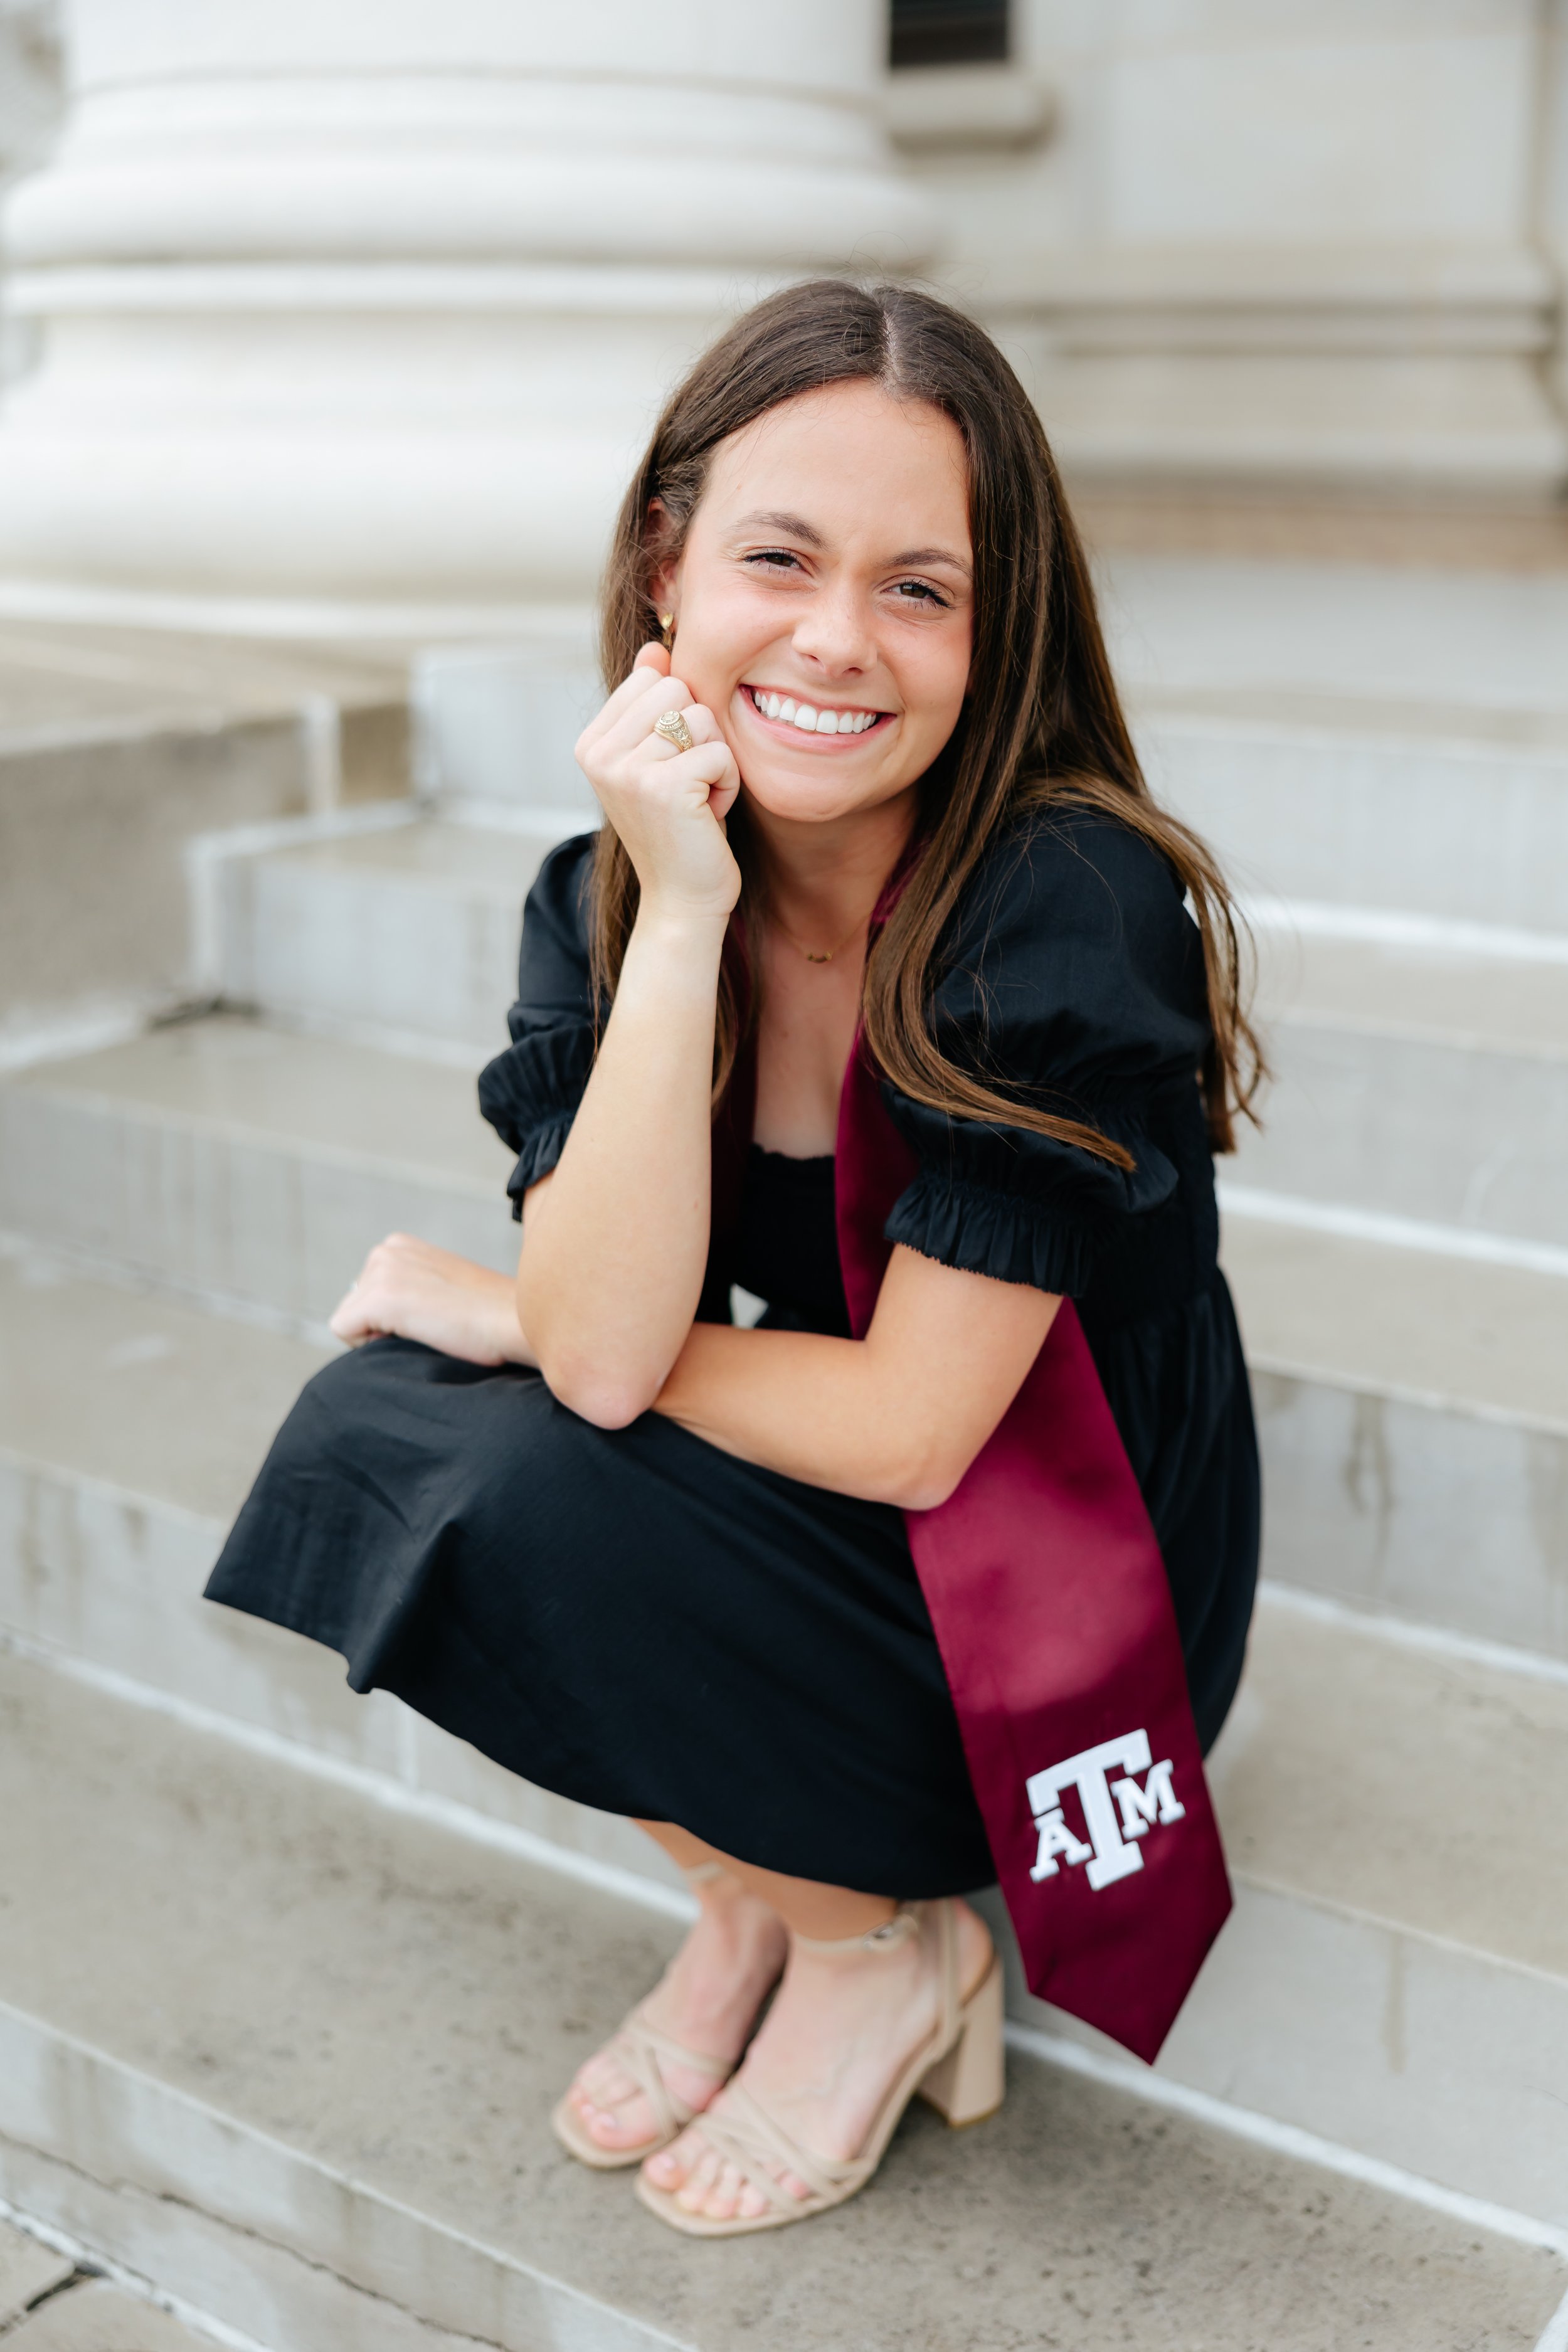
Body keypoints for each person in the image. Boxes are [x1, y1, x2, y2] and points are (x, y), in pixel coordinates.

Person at [206, 280, 1263, 2240]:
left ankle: (884, 1954)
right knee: (390, 1436)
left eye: (920, 589)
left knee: (521, 1437)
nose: (838, 642)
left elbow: (917, 1431)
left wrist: (524, 1324)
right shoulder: (610, 889)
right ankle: (759, 1902)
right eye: (778, 558)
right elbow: (603, 1358)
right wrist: (682, 916)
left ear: (990, 630)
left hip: (1064, 1547)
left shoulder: (1057, 909)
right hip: (839, 1460)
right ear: (663, 567)